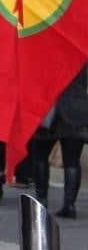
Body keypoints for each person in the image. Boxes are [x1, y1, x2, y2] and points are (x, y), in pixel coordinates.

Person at [31, 63, 88, 218]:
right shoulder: (82, 44)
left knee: (40, 154)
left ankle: (41, 199)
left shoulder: (47, 43)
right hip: (77, 106)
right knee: (72, 160)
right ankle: (69, 204)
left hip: (50, 106)